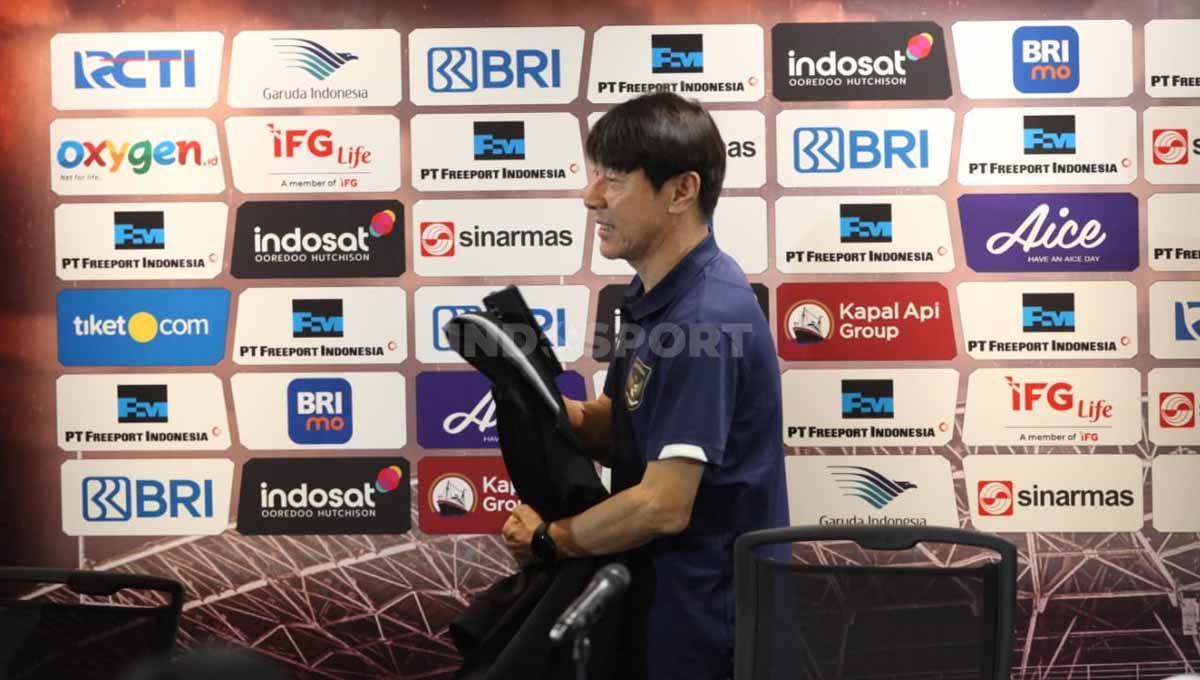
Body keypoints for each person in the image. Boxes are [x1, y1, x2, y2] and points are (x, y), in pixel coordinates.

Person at [501, 92, 790, 680]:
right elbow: (621, 423)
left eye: (614, 179)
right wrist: (544, 406)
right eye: (593, 175)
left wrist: (551, 541)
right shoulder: (653, 297)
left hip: (709, 621)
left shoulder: (708, 316)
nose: (591, 198)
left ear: (681, 191)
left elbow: (662, 505)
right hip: (663, 599)